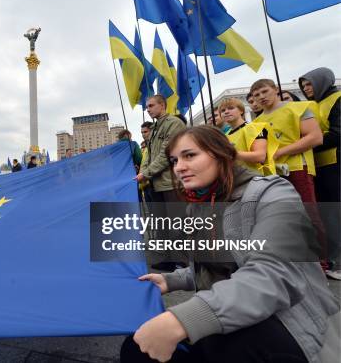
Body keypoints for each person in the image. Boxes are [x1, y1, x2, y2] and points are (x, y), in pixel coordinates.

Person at [121, 125, 340, 363]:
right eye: (174, 160)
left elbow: (274, 273)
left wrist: (183, 319)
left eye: (190, 155)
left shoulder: (273, 193)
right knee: (136, 347)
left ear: (222, 154)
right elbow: (222, 266)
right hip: (232, 320)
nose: (179, 167)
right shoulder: (199, 205)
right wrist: (171, 280)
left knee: (222, 343)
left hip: (287, 324)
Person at [251, 79, 327, 268]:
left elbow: (315, 137)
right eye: (256, 95)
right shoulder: (257, 122)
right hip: (272, 173)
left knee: (309, 215)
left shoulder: (299, 108)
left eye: (264, 91)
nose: (261, 97)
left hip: (297, 168)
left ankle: (321, 263)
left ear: (276, 90)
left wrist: (281, 152)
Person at [300, 67, 341, 280]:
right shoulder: (313, 105)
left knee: (333, 213)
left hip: (336, 163)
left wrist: (307, 142)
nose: (307, 89)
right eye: (304, 85)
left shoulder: (338, 99)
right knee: (326, 215)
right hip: (321, 165)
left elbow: (337, 133)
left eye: (310, 84)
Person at [137, 95, 186, 271]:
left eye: (151, 105)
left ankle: (185, 261)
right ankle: (168, 259)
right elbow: (149, 155)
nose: (147, 109)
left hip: (171, 183)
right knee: (162, 223)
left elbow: (167, 153)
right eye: (146, 106)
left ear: (162, 105)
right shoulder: (156, 127)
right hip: (156, 183)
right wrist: (144, 173)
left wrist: (146, 173)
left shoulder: (173, 123)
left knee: (177, 223)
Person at [219, 97, 275, 175]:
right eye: (223, 110)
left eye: (231, 108)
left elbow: (260, 156)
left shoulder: (254, 127)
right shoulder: (224, 136)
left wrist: (230, 153)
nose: (226, 112)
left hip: (257, 177)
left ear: (241, 111)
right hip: (236, 178)